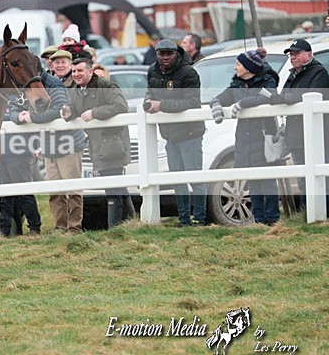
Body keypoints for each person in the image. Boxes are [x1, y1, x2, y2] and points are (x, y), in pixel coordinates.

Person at [210, 50, 280, 225]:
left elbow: (269, 97)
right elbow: (219, 97)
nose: (235, 68)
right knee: (252, 182)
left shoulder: (267, 80)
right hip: (244, 138)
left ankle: (272, 220)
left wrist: (243, 104)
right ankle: (258, 220)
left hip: (263, 137)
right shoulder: (237, 84)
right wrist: (216, 105)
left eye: (238, 64)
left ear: (248, 67)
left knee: (267, 182)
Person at [16, 64, 88, 233]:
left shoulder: (54, 85)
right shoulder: (29, 84)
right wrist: (19, 117)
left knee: (73, 189)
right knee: (55, 192)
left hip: (68, 144)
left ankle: (74, 227)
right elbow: (15, 107)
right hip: (49, 146)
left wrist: (32, 117)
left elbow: (57, 111)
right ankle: (60, 228)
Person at [144, 38, 207, 227]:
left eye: (169, 54)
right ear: (156, 54)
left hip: (190, 133)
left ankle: (200, 218)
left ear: (176, 53)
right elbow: (150, 93)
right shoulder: (152, 71)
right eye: (161, 54)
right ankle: (184, 218)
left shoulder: (188, 72)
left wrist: (162, 105)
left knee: (194, 177)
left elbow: (191, 102)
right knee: (176, 179)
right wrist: (148, 103)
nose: (165, 57)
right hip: (170, 135)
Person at [63, 58, 131, 229]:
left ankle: (114, 228)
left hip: (112, 143)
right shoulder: (77, 91)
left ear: (90, 72)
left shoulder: (105, 86)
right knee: (118, 187)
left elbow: (121, 106)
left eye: (79, 71)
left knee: (113, 189)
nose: (76, 75)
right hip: (97, 145)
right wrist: (69, 112)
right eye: (74, 72)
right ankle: (131, 223)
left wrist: (95, 113)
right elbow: (74, 107)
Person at [276, 38, 329, 211]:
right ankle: (307, 213)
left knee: (320, 179)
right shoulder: (293, 74)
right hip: (297, 136)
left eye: (297, 53)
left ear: (309, 54)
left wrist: (291, 98)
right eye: (291, 54)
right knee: (303, 180)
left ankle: (322, 213)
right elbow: (283, 95)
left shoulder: (319, 73)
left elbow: (315, 96)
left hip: (316, 135)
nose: (293, 57)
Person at [0, 98, 42, 237]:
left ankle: (34, 227)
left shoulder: (19, 97)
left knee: (25, 192)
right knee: (4, 194)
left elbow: (28, 120)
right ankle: (5, 230)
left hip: (18, 151)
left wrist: (34, 145)